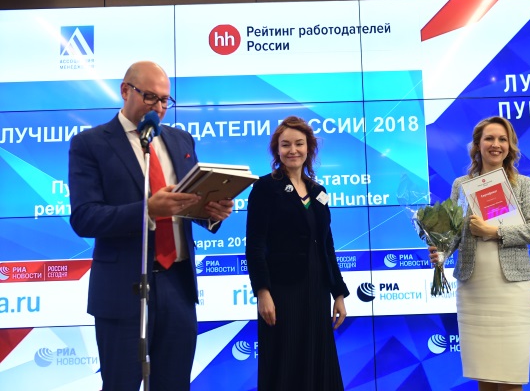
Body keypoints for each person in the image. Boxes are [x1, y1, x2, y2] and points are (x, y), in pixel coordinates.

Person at [68, 61, 234, 391]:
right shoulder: (91, 143)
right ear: (125, 90)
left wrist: (211, 212)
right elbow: (84, 217)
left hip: (178, 285)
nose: (159, 107)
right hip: (123, 288)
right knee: (121, 384)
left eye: (165, 100)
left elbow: (189, 202)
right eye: (150, 97)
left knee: (174, 383)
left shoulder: (181, 140)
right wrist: (147, 211)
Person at [430, 116, 530, 391]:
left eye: (503, 139)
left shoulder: (523, 184)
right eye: (489, 138)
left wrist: (494, 231)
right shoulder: (461, 185)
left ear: (510, 146)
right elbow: (455, 233)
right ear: (477, 145)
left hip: (511, 289)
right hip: (474, 289)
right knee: (485, 376)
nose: (496, 144)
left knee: (511, 377)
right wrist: (441, 250)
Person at [245, 115, 350, 391]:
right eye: (286, 144)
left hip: (316, 292)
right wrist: (262, 292)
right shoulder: (265, 188)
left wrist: (338, 293)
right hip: (281, 293)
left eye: (299, 144)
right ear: (277, 150)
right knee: (286, 367)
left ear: (309, 148)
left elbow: (327, 246)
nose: (293, 150)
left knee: (318, 366)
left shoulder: (318, 191)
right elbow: (254, 245)